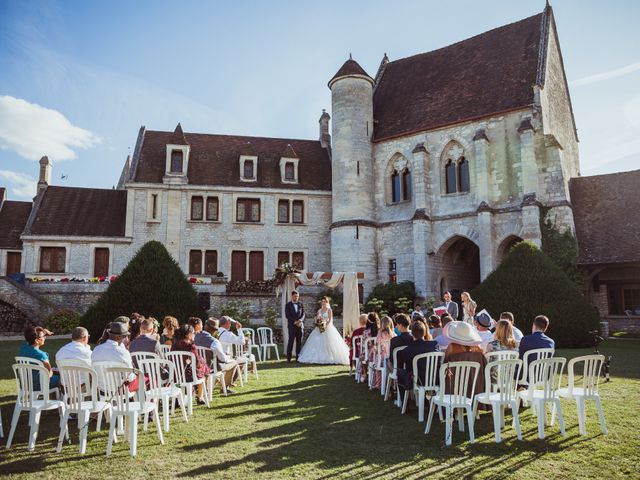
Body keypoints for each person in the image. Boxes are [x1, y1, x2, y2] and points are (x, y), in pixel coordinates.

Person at [298, 296, 350, 365]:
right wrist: (318, 322)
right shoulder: (319, 310)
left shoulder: (329, 310)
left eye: (324, 301)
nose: (323, 303)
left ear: (327, 302)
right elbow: (317, 319)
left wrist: (325, 325)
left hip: (327, 328)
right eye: (322, 301)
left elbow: (330, 319)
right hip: (319, 328)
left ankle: (330, 356)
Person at [442, 321, 486, 399]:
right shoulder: (478, 350)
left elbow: (445, 365)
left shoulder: (452, 348)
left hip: (455, 386)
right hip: (473, 385)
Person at [195, 318, 240, 393]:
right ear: (215, 330)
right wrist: (229, 357)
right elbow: (223, 359)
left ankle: (212, 384)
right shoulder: (214, 342)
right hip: (211, 367)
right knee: (234, 362)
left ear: (205, 326)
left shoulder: (195, 337)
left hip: (198, 366)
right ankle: (225, 387)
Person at [396, 321, 438, 400]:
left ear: (412, 334)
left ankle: (404, 402)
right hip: (435, 378)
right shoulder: (433, 345)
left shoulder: (407, 350)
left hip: (419, 380)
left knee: (400, 373)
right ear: (425, 332)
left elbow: (408, 369)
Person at [91, 321, 138, 391]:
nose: (126, 338)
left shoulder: (96, 349)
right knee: (141, 380)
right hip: (121, 392)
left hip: (102, 390)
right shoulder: (123, 352)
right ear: (119, 337)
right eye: (125, 336)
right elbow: (129, 376)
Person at [171, 324, 210, 403]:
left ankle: (193, 392)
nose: (194, 335)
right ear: (188, 334)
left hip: (176, 375)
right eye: (193, 333)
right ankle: (200, 397)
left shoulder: (174, 345)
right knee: (203, 371)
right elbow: (197, 363)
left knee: (201, 368)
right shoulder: (191, 346)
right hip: (188, 376)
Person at [18, 326, 59, 391]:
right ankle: (61, 399)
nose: (45, 337)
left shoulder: (23, 348)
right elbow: (49, 374)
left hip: (25, 384)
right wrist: (56, 372)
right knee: (62, 379)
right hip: (39, 385)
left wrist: (44, 332)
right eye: (43, 336)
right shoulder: (41, 355)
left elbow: (30, 334)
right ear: (37, 340)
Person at [371, 315, 396, 387]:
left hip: (381, 359)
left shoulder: (380, 333)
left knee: (376, 363)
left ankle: (378, 384)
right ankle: (392, 383)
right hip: (391, 359)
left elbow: (377, 344)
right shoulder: (393, 334)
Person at [357, 312, 380, 382]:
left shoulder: (365, 332)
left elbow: (364, 345)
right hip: (378, 354)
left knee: (362, 356)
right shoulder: (380, 331)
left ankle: (365, 373)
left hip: (369, 355)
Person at [285, 290, 305, 362]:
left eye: (297, 296)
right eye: (295, 296)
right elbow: (287, 315)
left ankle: (298, 358)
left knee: (299, 342)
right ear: (292, 296)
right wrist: (295, 321)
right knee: (291, 342)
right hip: (292, 326)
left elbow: (303, 314)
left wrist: (300, 320)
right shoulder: (288, 305)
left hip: (300, 326)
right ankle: (288, 358)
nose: (296, 298)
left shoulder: (300, 304)